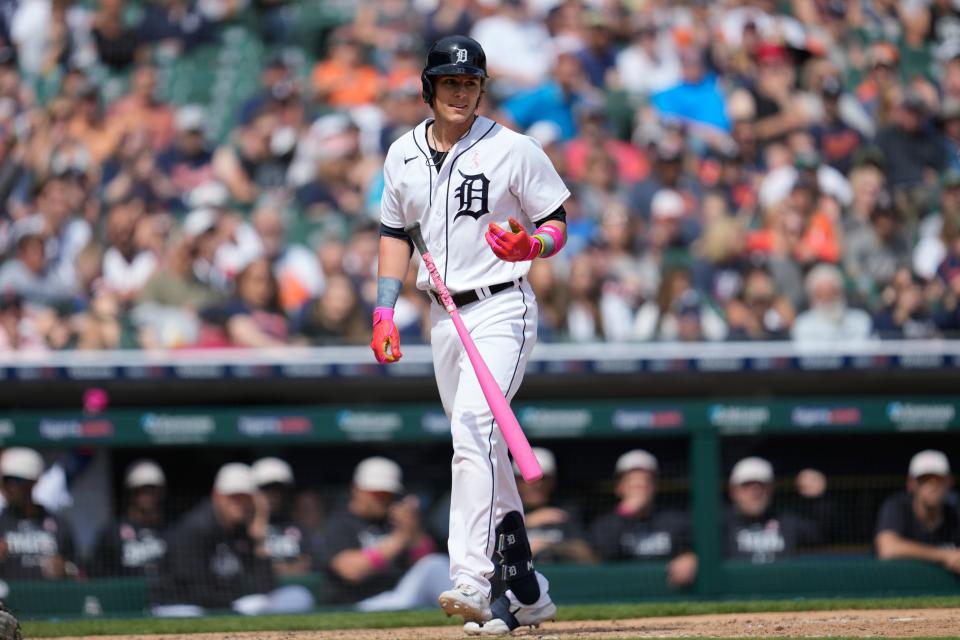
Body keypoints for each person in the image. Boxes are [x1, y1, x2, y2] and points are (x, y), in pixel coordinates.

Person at [370, 35, 569, 635]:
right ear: (430, 88)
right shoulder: (401, 153)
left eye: (470, 82)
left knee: (474, 430)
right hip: (441, 318)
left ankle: (473, 582)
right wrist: (383, 310)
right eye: (450, 82)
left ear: (482, 88)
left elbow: (557, 222)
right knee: (487, 453)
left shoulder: (514, 148)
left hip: (502, 307)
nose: (461, 91)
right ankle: (527, 587)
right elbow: (394, 233)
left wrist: (533, 245)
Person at [151, 463, 313, 616]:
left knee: (298, 596)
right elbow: (194, 589)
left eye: (246, 498)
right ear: (217, 496)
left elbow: (265, 588)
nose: (241, 503)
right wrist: (234, 605)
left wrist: (259, 541)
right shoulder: (194, 528)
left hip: (225, 605)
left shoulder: (241, 530)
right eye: (234, 497)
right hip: (179, 607)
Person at [320, 457, 449, 611]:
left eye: (388, 494)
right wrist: (401, 537)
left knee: (436, 563)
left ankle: (469, 617)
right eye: (378, 493)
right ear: (357, 490)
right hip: (358, 605)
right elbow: (352, 571)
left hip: (400, 596)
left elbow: (425, 564)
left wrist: (414, 532)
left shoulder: (395, 520)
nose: (383, 500)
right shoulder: (339, 523)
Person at [588, 450, 696, 588]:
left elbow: (699, 548)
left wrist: (691, 557)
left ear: (655, 486)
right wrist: (626, 512)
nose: (639, 488)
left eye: (645, 482)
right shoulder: (604, 524)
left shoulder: (675, 520)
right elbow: (603, 554)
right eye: (632, 483)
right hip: (620, 592)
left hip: (667, 590)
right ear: (619, 487)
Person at [875, 450, 960, 574]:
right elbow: (887, 548)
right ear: (911, 484)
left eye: (939, 479)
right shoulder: (897, 506)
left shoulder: (955, 513)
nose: (932, 485)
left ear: (949, 482)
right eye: (925, 479)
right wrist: (945, 555)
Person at [724, 457, 821, 563]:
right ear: (733, 490)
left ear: (771, 489)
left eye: (762, 485)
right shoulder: (720, 525)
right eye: (747, 485)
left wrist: (818, 500)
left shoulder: (788, 521)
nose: (755, 492)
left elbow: (823, 533)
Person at [0, 447, 76, 580]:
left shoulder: (59, 525)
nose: (9, 486)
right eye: (5, 480)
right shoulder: (1, 523)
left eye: (16, 480)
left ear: (34, 481)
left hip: (49, 598)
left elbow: (82, 573)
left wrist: (66, 569)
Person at [513, 448, 594, 565]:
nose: (536, 485)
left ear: (553, 480)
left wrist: (550, 547)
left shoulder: (566, 511)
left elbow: (589, 556)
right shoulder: (503, 511)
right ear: (515, 481)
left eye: (543, 478)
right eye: (526, 479)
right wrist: (525, 522)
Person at [88, 459, 169, 577]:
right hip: (123, 594)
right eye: (141, 489)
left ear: (161, 492)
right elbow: (98, 573)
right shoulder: (112, 533)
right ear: (131, 492)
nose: (147, 495)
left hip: (164, 594)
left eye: (152, 489)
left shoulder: (171, 530)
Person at [251, 457, 313, 577]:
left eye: (277, 489)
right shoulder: (244, 526)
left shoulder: (297, 525)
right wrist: (261, 514)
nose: (272, 495)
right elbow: (254, 560)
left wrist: (286, 569)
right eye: (266, 489)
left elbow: (308, 561)